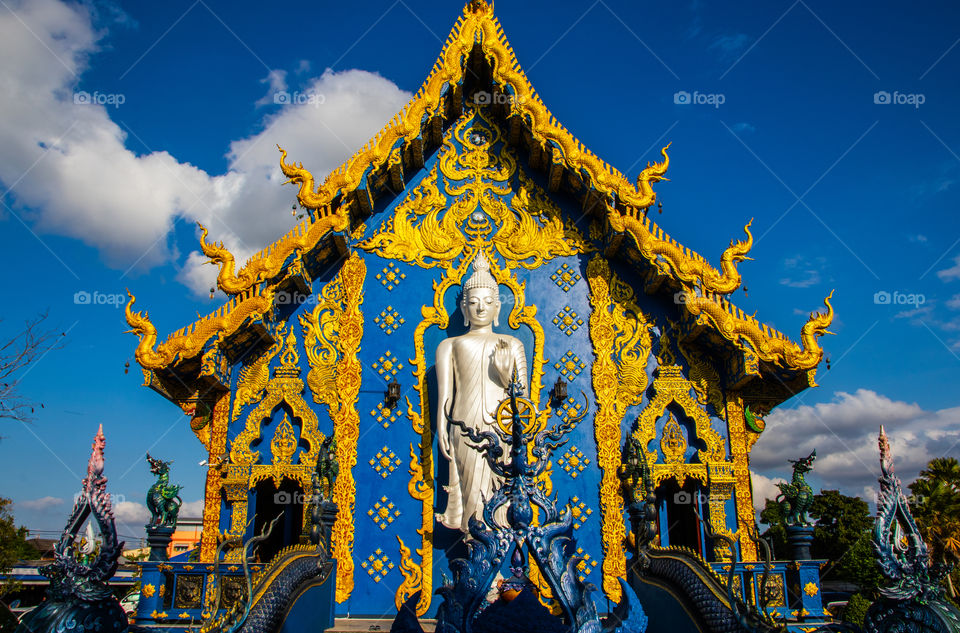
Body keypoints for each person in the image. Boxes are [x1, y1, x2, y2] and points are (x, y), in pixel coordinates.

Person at [435, 251, 528, 532]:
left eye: (488, 303)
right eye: (473, 303)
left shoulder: (512, 345)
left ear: (498, 308)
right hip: (463, 428)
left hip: (501, 428)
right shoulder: (449, 346)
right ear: (464, 309)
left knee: (498, 496)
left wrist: (504, 375)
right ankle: (474, 548)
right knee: (469, 496)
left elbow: (523, 403)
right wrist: (442, 430)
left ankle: (495, 558)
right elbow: (445, 397)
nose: (480, 308)